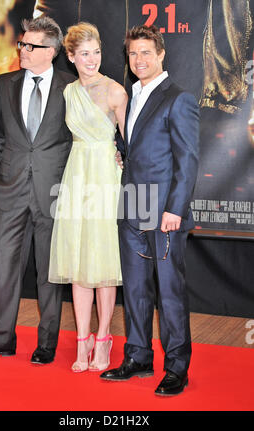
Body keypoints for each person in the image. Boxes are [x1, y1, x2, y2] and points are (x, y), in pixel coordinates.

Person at [0, 16, 75, 365]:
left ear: (51, 51)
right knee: (4, 267)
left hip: (53, 193)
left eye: (31, 46)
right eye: (22, 44)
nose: (23, 50)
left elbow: (76, 142)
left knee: (49, 273)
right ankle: (1, 339)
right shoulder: (4, 83)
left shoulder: (71, 88)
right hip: (9, 193)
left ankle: (47, 343)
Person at [100, 25, 199, 396]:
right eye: (132, 54)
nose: (138, 60)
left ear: (161, 55)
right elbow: (138, 146)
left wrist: (175, 209)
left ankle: (177, 366)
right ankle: (138, 356)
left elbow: (187, 161)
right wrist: (122, 149)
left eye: (146, 53)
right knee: (137, 289)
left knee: (170, 291)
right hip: (132, 206)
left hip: (164, 212)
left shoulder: (179, 98)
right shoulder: (133, 96)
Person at [48, 22, 128, 372]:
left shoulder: (116, 91)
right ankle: (82, 341)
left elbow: (130, 141)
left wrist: (122, 155)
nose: (92, 59)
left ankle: (104, 339)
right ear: (71, 57)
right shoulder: (68, 93)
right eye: (84, 54)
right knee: (78, 263)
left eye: (96, 52)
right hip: (77, 175)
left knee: (103, 265)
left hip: (105, 179)